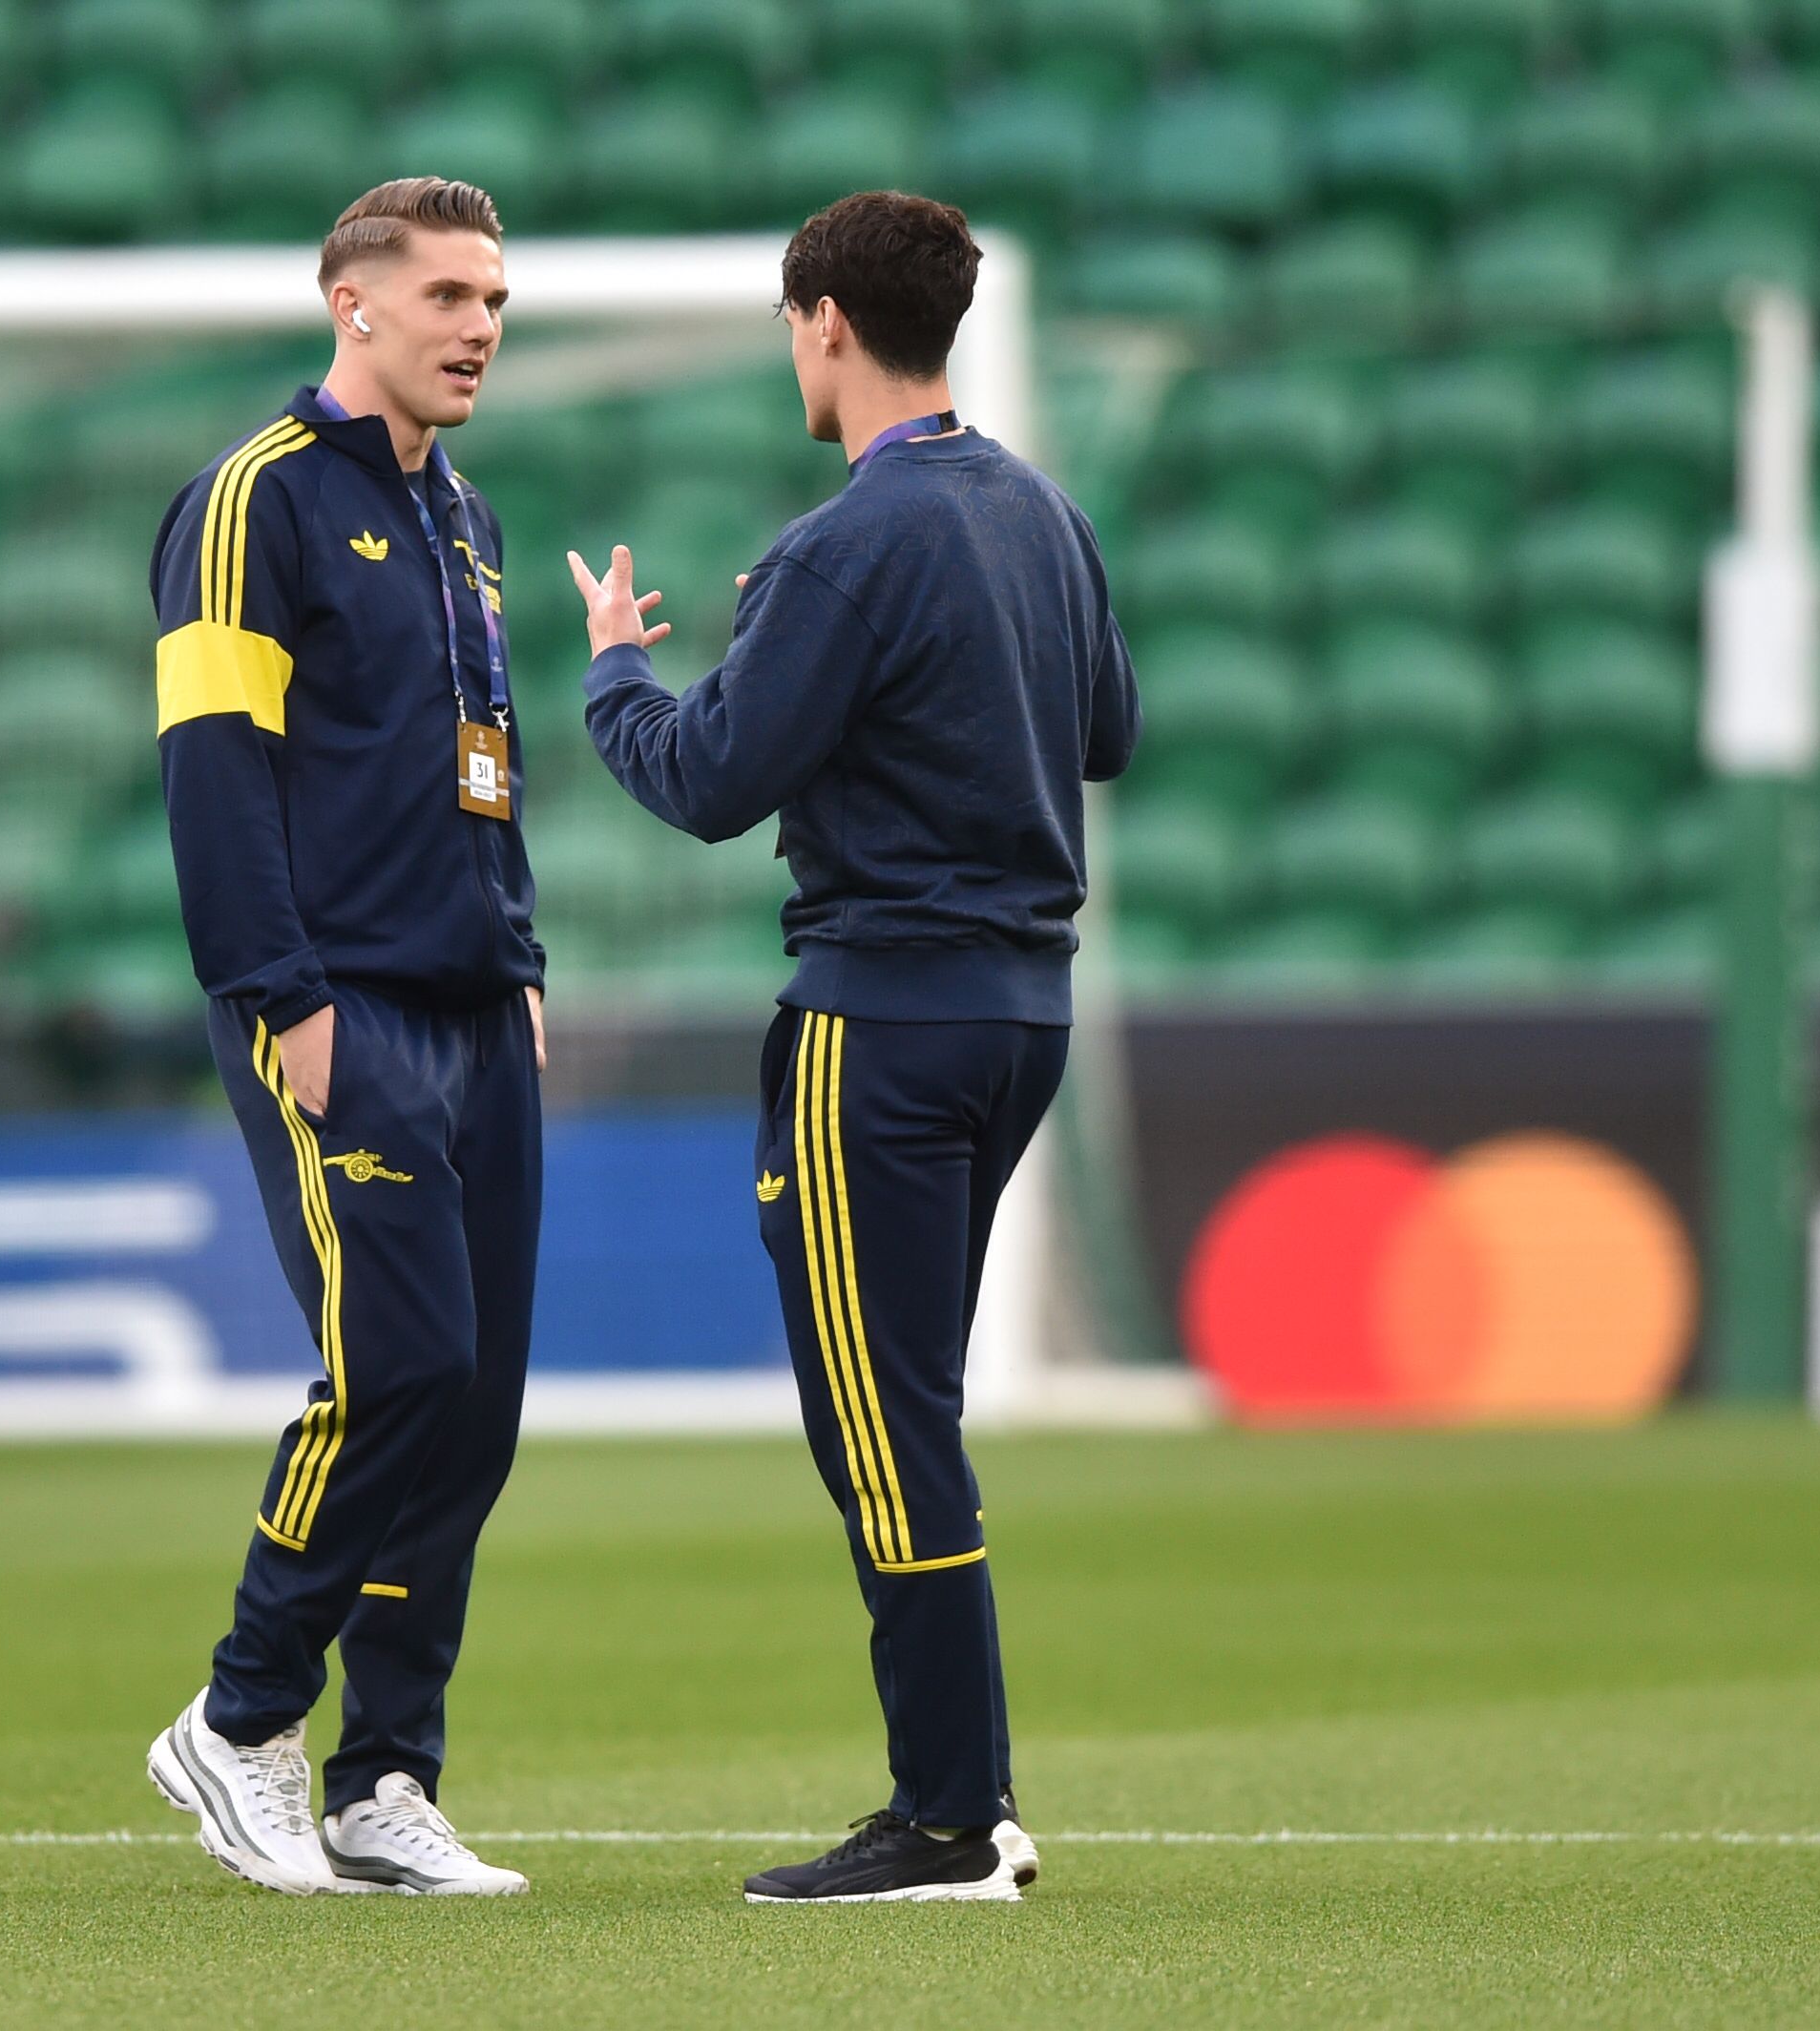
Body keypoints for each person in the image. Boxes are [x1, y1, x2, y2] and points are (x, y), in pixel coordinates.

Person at [568, 190, 1137, 1904]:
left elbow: (708, 781)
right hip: (1022, 1017)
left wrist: (613, 675)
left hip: (880, 1021)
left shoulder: (844, 545)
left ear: (824, 321)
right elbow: (1108, 731)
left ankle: (951, 1817)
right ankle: (961, 1798)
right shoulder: (1043, 513)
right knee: (914, 1410)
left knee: (884, 1427)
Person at [141, 177, 542, 1898]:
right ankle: (238, 1721)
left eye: (495, 300)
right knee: (402, 1370)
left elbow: (482, 754)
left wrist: (521, 957)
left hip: (479, 1008)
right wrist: (283, 994)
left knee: (475, 1413)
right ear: (352, 302)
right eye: (448, 294)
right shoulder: (253, 500)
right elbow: (213, 767)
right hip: (338, 1006)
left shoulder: (466, 515)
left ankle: (386, 1778)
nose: (479, 327)